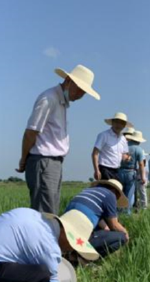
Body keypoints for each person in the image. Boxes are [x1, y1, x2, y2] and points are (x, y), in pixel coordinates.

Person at [16, 65, 100, 215]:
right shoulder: (49, 99)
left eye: (84, 92)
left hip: (53, 163)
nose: (80, 94)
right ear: (68, 80)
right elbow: (31, 132)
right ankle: (41, 239)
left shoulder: (61, 102)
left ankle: (47, 238)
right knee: (44, 213)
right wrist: (24, 159)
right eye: (79, 88)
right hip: (43, 161)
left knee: (52, 211)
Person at [65, 179, 129, 258]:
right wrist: (126, 234)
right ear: (116, 192)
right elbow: (114, 225)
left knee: (99, 230)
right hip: (79, 234)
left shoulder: (89, 191)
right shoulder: (110, 195)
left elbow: (104, 227)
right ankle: (84, 258)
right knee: (122, 237)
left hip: (64, 230)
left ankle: (71, 251)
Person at [92, 113, 133, 181]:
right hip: (104, 169)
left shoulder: (123, 139)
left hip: (117, 170)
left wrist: (127, 157)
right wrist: (96, 170)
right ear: (112, 123)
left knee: (116, 190)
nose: (119, 125)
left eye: (121, 123)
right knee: (106, 190)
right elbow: (95, 153)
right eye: (117, 122)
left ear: (124, 126)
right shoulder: (103, 135)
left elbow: (124, 154)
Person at [118, 130, 146, 215]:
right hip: (131, 173)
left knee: (120, 194)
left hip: (120, 172)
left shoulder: (123, 146)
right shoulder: (139, 149)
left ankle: (118, 212)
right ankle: (127, 214)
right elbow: (141, 164)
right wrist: (142, 177)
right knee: (129, 195)